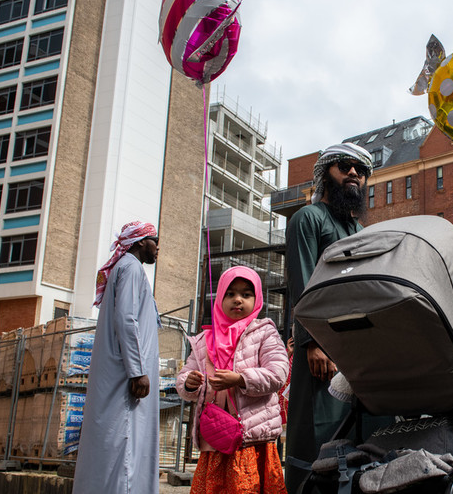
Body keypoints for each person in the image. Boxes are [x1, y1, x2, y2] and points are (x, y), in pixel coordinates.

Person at [284, 143, 373, 491]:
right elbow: (303, 283)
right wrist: (313, 343)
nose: (353, 173)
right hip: (321, 350)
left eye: (360, 170)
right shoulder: (308, 218)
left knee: (358, 440)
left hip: (357, 352)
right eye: (345, 166)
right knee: (319, 440)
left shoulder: (360, 231)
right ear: (326, 174)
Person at [177, 266, 289, 493]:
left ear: (257, 299)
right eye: (230, 294)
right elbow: (183, 378)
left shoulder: (264, 332)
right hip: (215, 438)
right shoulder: (204, 340)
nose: (237, 300)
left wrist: (240, 379)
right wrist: (189, 383)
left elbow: (278, 373)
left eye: (246, 294)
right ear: (220, 298)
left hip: (251, 440)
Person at [74, 221, 161, 494]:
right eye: (155, 241)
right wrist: (137, 371)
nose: (158, 248)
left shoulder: (125, 268)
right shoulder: (131, 268)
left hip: (122, 374)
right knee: (124, 448)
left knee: (119, 446)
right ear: (140, 242)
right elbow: (126, 319)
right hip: (125, 379)